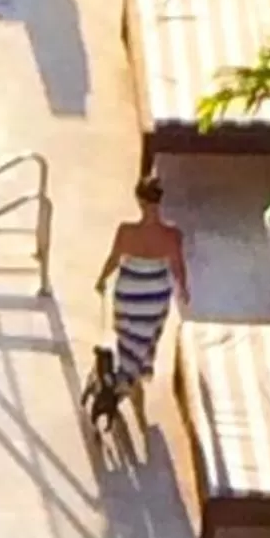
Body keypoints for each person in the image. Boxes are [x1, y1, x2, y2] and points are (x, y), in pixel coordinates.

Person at [93, 173, 189, 413]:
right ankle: (129, 387)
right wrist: (183, 290)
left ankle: (123, 386)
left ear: (139, 201)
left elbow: (114, 260)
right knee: (143, 344)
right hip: (155, 297)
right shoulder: (172, 236)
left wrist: (101, 280)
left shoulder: (126, 232)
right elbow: (178, 269)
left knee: (126, 341)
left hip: (128, 294)